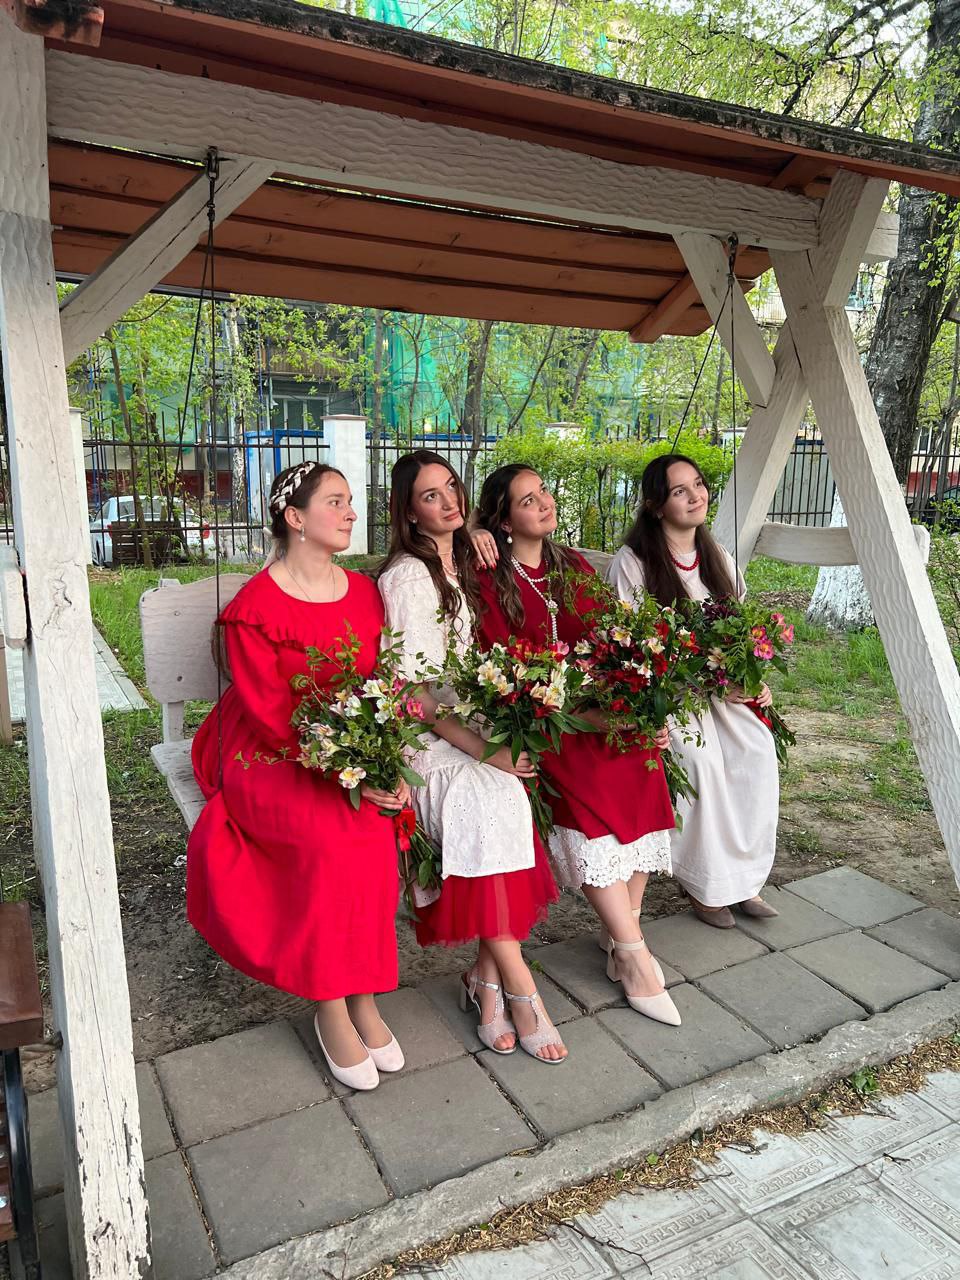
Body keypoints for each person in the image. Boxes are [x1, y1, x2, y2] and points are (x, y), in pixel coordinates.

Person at [188, 461, 408, 1091]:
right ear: (295, 518)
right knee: (326, 835)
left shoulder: (364, 592)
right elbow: (269, 714)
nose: (350, 511)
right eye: (335, 501)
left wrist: (383, 760)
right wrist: (346, 770)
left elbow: (380, 683)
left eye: (349, 500)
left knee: (372, 829)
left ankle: (364, 992)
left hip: (348, 742)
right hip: (271, 747)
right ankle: (329, 1002)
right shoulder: (254, 609)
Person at [471, 465, 680, 1025]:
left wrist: (637, 709)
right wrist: (473, 533)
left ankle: (622, 936)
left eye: (544, 491)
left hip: (595, 705)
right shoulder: (490, 578)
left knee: (643, 752)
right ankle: (633, 954)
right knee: (593, 769)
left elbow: (609, 641)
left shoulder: (573, 566)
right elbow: (503, 668)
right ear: (503, 520)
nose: (544, 502)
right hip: (541, 718)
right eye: (527, 500)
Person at [378, 450, 568, 1064]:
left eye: (451, 488)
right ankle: (522, 988)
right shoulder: (410, 578)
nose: (449, 501)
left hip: (469, 721)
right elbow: (417, 695)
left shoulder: (459, 557)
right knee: (486, 796)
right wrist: (489, 750)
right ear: (409, 512)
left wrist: (480, 530)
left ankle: (485, 983)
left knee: (506, 795)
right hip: (426, 738)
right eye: (430, 496)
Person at [606, 453, 780, 928]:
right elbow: (631, 644)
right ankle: (707, 886)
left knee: (756, 751)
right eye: (679, 491)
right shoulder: (635, 562)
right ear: (655, 505)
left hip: (721, 693)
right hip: (670, 697)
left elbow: (741, 630)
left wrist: (751, 678)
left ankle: (743, 881)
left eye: (698, 485)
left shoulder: (717, 555)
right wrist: (698, 679)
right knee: (701, 764)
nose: (695, 496)